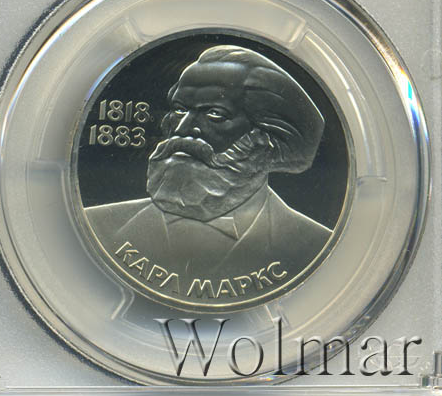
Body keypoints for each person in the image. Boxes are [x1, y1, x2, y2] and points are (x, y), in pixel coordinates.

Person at [85, 45, 332, 300]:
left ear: (265, 139)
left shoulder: (316, 245)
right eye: (180, 109)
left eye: (215, 114)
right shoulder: (96, 225)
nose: (182, 128)